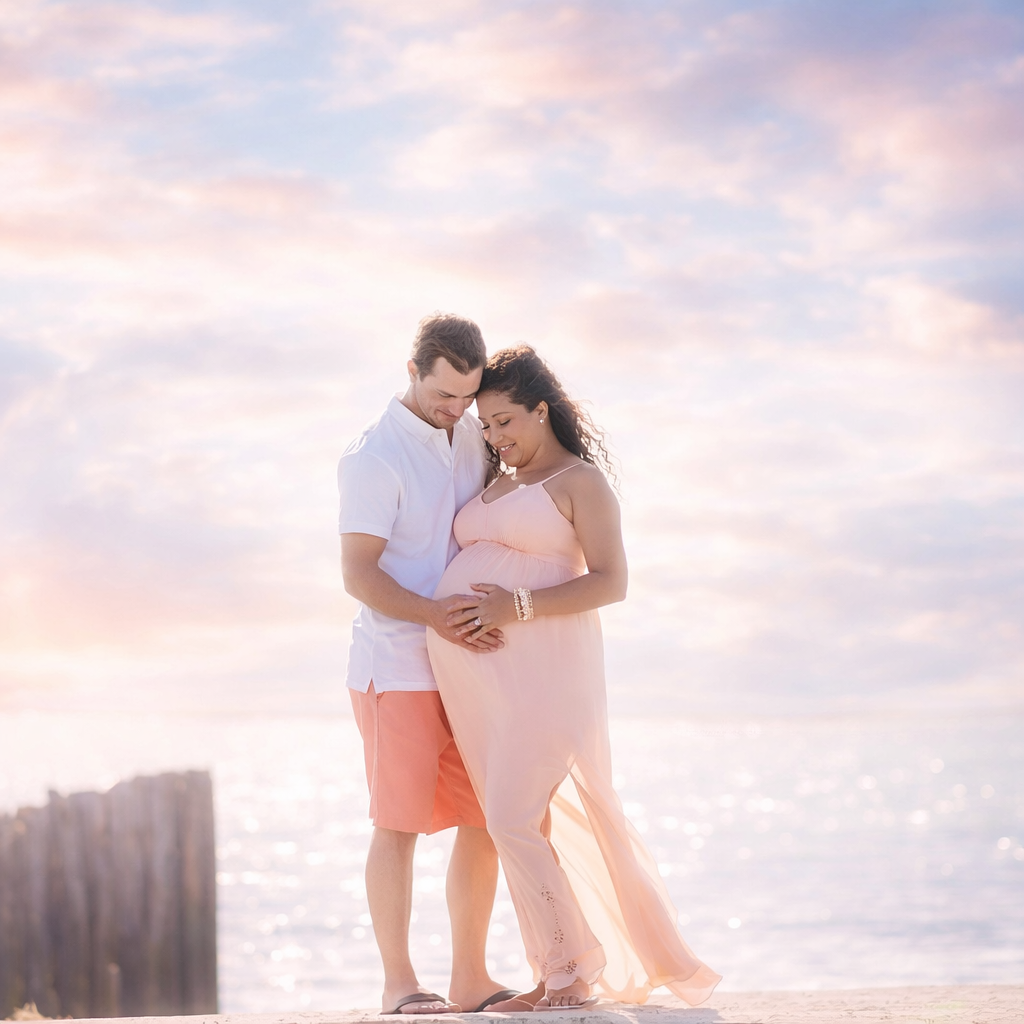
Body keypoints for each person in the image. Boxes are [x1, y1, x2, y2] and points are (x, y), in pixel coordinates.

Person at [426, 345, 721, 1010]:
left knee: (509, 818)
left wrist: (511, 606)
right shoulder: (496, 479)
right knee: (520, 821)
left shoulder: (580, 482)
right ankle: (559, 974)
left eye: (506, 421)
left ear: (541, 408)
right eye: (486, 427)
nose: (497, 438)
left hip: (549, 677)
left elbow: (611, 582)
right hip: (487, 687)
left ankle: (570, 976)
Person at [338, 314, 528, 1015]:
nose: (458, 410)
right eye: (445, 396)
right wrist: (433, 616)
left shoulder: (473, 435)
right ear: (413, 373)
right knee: (400, 824)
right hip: (398, 667)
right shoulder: (373, 457)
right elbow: (359, 575)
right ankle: (398, 986)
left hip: (470, 667)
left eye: (466, 397)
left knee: (484, 817)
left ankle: (471, 980)